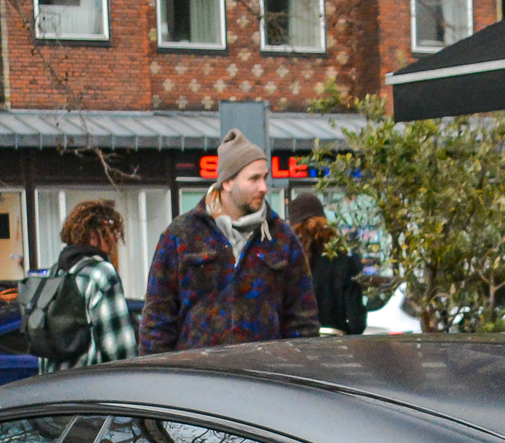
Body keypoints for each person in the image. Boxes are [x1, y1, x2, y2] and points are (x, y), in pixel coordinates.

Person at [138, 130, 318, 354]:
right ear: (227, 182)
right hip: (195, 380)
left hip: (264, 380)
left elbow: (303, 321)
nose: (263, 187)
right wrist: (157, 380)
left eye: (264, 178)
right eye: (253, 179)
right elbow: (157, 319)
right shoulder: (181, 236)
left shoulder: (281, 239)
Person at [39, 199, 141, 372]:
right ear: (96, 235)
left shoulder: (55, 272)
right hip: (90, 385)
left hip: (54, 385)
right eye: (112, 233)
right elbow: (118, 345)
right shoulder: (100, 273)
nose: (115, 241)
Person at [285, 191, 366, 336]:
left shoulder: (289, 260)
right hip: (336, 344)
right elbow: (357, 322)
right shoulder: (344, 259)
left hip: (299, 346)